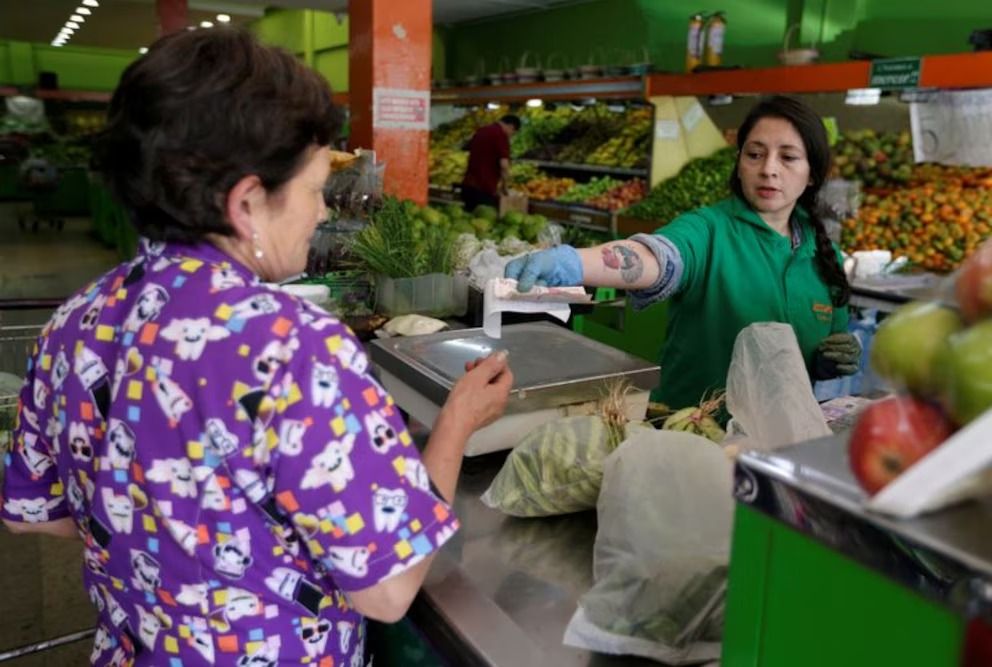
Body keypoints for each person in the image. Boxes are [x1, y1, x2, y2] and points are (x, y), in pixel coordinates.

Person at [1, 28, 513, 667]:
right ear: (246, 203)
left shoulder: (75, 322)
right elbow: (387, 591)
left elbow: (31, 511)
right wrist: (456, 425)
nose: (322, 214)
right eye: (314, 189)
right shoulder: (294, 348)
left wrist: (163, 531)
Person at [507, 96, 860, 412]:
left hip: (777, 447)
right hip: (690, 435)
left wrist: (826, 361)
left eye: (788, 157)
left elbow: (823, 350)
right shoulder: (708, 229)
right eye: (755, 154)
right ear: (739, 163)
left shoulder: (828, 259)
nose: (769, 168)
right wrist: (575, 262)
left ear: (813, 173)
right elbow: (658, 257)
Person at [461, 114, 520, 212]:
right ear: (511, 127)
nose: (510, 135)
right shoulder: (501, 136)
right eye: (513, 133)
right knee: (485, 221)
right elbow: (504, 165)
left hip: (468, 185)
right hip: (484, 189)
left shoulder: (481, 131)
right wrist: (505, 187)